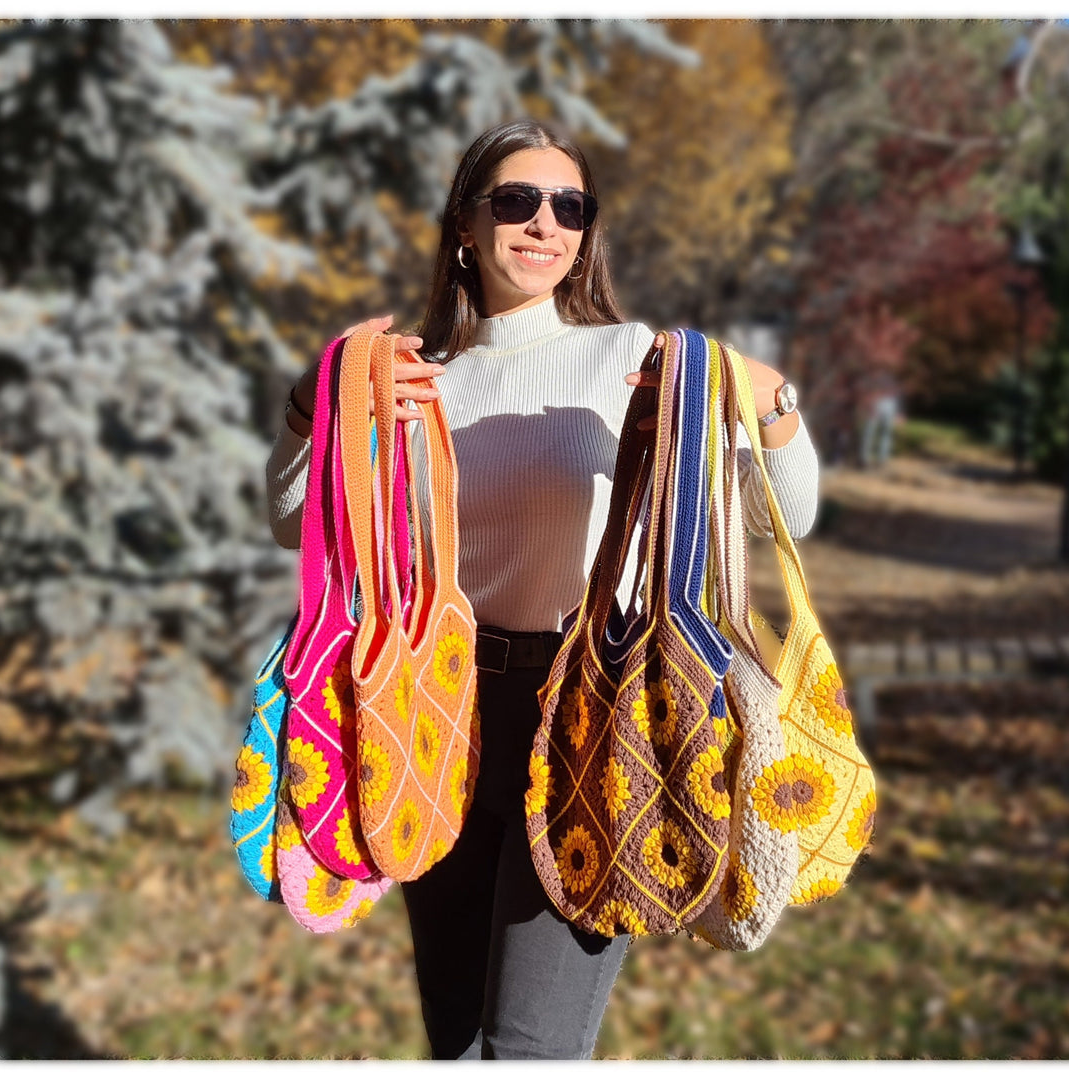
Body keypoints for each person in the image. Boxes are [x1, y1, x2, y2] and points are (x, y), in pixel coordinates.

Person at [265, 119, 819, 1061]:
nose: (544, 224)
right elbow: (297, 523)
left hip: (592, 715)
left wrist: (769, 402)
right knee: (456, 1036)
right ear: (465, 227)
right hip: (435, 712)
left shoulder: (633, 358)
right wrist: (313, 410)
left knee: (531, 1046)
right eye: (517, 201)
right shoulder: (411, 378)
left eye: (571, 207)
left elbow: (786, 514)